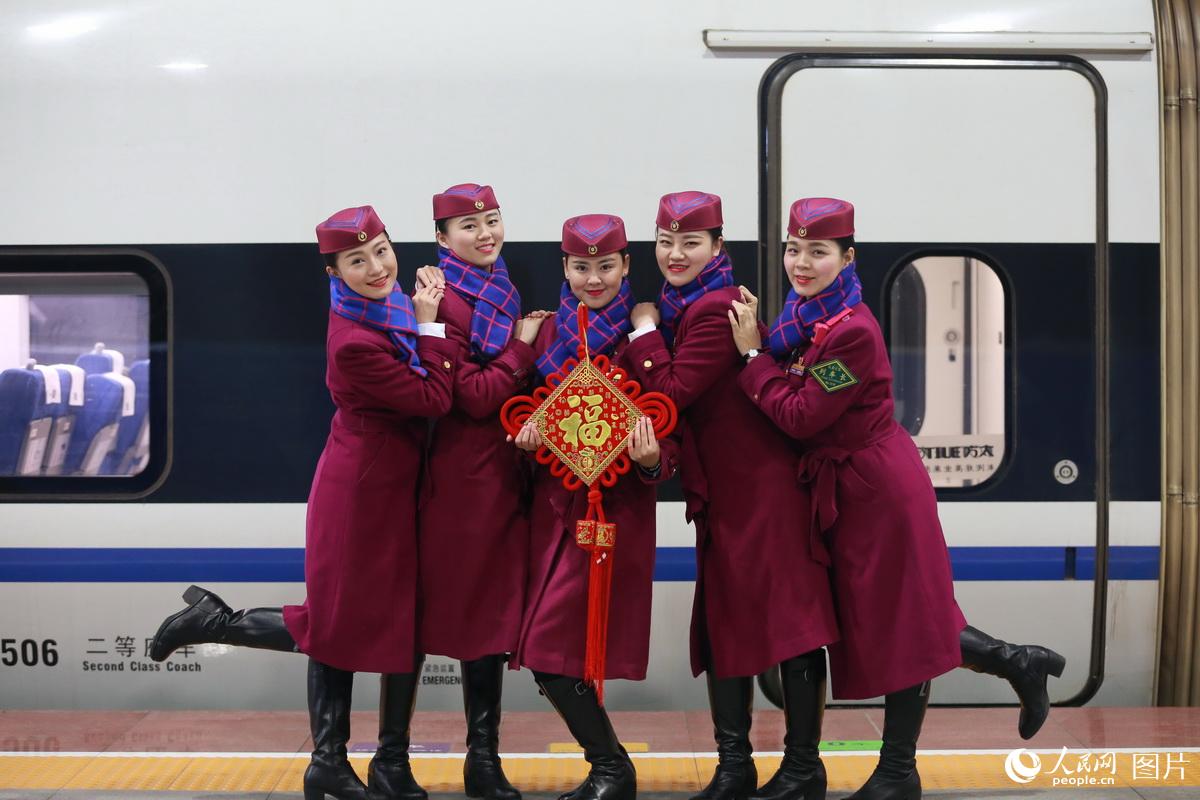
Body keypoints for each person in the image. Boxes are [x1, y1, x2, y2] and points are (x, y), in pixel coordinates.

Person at [727, 197, 1066, 800]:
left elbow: (801, 416)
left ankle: (897, 772)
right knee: (886, 619)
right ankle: (1017, 661)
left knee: (904, 624)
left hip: (877, 494)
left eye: (817, 252)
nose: (800, 263)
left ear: (847, 257)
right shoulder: (801, 317)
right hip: (843, 490)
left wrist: (752, 356)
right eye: (793, 249)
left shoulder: (852, 333)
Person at [148, 205, 457, 800]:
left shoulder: (382, 307)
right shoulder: (357, 340)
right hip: (361, 495)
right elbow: (433, 399)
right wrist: (431, 324)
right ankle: (227, 635)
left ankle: (373, 764)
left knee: (395, 620)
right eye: (357, 261)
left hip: (395, 488)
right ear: (334, 272)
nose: (377, 267)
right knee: (335, 625)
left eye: (382, 251)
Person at [622, 192, 841, 800]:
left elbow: (670, 390)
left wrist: (643, 331)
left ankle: (802, 767)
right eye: (665, 242)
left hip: (763, 492)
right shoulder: (690, 304)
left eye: (690, 243)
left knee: (792, 626)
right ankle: (735, 766)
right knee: (725, 627)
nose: (675, 254)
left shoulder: (717, 308)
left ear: (718, 246)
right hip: (727, 495)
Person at [509, 214, 679, 800]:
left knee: (549, 648)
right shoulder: (545, 334)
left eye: (606, 266)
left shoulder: (644, 337)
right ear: (564, 266)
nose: (594, 278)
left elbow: (673, 436)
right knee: (546, 648)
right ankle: (610, 767)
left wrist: (653, 460)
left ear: (626, 265)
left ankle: (610, 768)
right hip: (552, 516)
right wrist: (526, 440)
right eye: (581, 267)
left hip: (614, 518)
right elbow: (517, 414)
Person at [417, 183, 544, 800]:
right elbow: (469, 396)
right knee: (474, 619)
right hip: (465, 478)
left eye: (492, 220)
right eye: (469, 226)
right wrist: (522, 348)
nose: (485, 233)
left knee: (492, 619)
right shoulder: (443, 299)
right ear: (442, 239)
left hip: (504, 471)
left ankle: (484, 757)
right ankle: (474, 760)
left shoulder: (499, 287)